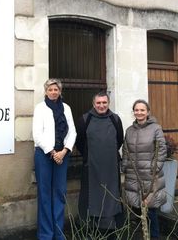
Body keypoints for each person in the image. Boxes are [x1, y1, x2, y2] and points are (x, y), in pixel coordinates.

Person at [32, 79, 77, 240]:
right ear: (45, 91)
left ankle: (58, 233)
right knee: (45, 194)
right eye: (50, 89)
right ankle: (45, 234)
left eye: (56, 89)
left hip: (62, 156)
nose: (53, 92)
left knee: (59, 193)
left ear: (60, 91)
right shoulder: (40, 108)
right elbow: (36, 134)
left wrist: (64, 151)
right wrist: (52, 152)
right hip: (44, 155)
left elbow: (72, 133)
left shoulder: (66, 108)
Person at [76, 91, 124, 238]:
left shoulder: (115, 119)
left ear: (108, 103)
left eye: (104, 103)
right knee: (91, 198)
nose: (101, 106)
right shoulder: (85, 119)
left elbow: (119, 139)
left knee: (112, 196)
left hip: (111, 167)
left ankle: (112, 229)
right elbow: (80, 142)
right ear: (93, 104)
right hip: (91, 168)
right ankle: (90, 229)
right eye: (98, 103)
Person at [122, 99, 166, 240]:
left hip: (149, 176)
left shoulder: (156, 128)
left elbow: (161, 150)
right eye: (136, 110)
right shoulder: (129, 130)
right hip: (133, 175)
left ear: (147, 112)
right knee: (136, 209)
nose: (139, 112)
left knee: (151, 210)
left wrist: (155, 168)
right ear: (133, 112)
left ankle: (154, 237)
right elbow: (126, 151)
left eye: (142, 110)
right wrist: (124, 167)